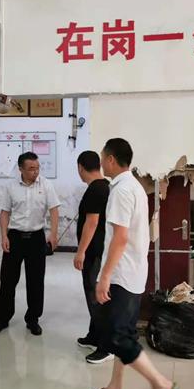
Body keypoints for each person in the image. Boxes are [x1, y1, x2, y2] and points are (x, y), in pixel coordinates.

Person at [87, 138, 178, 389]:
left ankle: (161, 384)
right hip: (132, 272)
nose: (101, 163)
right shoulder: (133, 186)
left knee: (117, 337)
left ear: (111, 159)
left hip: (122, 275)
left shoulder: (121, 191)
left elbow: (120, 238)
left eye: (103, 158)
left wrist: (104, 277)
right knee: (122, 333)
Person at [0, 152, 60, 336]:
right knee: (7, 279)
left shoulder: (46, 185)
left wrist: (53, 234)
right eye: (31, 168)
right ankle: (3, 318)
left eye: (37, 168)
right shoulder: (11, 187)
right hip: (15, 238)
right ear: (20, 169)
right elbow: (5, 212)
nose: (35, 171)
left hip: (36, 238)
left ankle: (33, 319)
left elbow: (54, 209)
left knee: (36, 280)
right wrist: (4, 236)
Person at [74, 151, 113, 364]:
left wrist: (80, 251)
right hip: (100, 250)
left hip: (94, 252)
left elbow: (92, 222)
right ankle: (94, 336)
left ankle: (106, 346)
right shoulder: (105, 186)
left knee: (95, 296)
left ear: (81, 167)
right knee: (94, 294)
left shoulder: (95, 189)